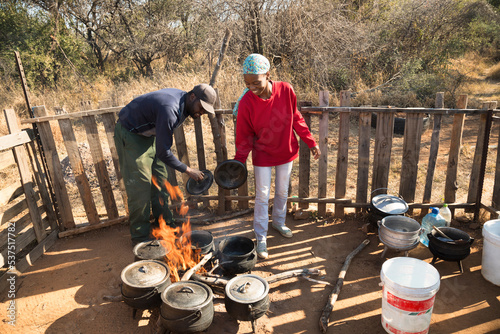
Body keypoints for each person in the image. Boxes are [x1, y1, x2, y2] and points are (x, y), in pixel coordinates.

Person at [233, 54, 321, 259]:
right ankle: (261, 236)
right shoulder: (247, 102)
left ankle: (279, 222)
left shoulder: (286, 90)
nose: (251, 87)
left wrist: (311, 141)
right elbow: (244, 135)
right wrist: (238, 161)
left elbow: (296, 117)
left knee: (282, 191)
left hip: (285, 149)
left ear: (268, 75)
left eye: (256, 82)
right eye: (247, 83)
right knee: (262, 195)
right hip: (263, 153)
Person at [114, 84, 217, 244]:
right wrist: (188, 170)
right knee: (140, 187)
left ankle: (165, 226)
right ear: (192, 96)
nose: (201, 112)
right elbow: (164, 152)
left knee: (161, 181)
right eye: (201, 107)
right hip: (131, 133)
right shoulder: (170, 108)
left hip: (149, 135)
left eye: (205, 110)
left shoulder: (184, 104)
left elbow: (163, 145)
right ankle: (140, 237)